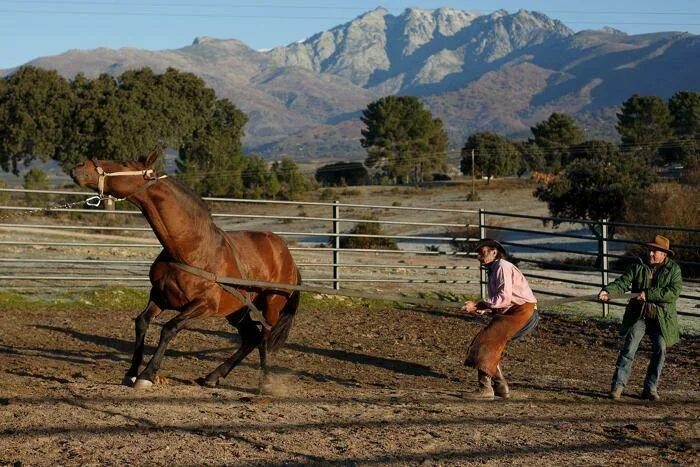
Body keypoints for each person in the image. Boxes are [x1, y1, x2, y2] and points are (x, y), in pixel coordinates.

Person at [599, 235, 682, 401]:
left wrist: (648, 294)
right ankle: (618, 386)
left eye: (654, 251)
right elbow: (623, 282)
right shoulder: (638, 266)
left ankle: (650, 387)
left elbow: (673, 292)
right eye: (650, 250)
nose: (650, 254)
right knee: (629, 348)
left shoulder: (674, 270)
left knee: (660, 348)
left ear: (664, 254)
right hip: (640, 314)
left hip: (661, 318)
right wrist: (608, 291)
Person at [460, 239, 538, 400]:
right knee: (490, 342)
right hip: (514, 311)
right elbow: (501, 300)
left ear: (493, 252)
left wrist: (477, 304)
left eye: (482, 253)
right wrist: (483, 308)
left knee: (486, 341)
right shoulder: (496, 269)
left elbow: (504, 297)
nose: (479, 257)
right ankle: (501, 386)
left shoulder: (502, 267)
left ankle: (486, 389)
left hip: (521, 312)